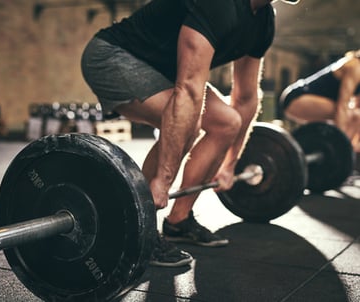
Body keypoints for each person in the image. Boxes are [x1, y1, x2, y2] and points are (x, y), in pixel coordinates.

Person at [81, 0, 301, 267]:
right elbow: (188, 89)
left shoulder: (263, 20)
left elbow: (245, 97)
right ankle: (139, 231)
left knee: (227, 122)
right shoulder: (220, 5)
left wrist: (231, 163)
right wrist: (162, 180)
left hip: (162, 71)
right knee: (188, 125)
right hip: (113, 56)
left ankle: (179, 221)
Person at [280, 50, 360, 153]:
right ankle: (341, 149)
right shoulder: (355, 66)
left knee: (356, 115)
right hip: (296, 98)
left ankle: (347, 149)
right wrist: (341, 143)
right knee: (352, 115)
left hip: (308, 101)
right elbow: (342, 107)